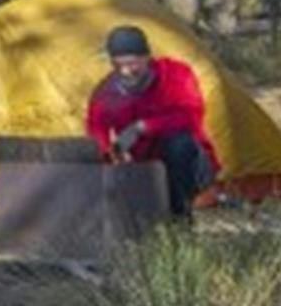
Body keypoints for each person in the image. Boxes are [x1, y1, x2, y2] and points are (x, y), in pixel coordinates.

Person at [85, 25, 218, 218]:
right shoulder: (106, 92)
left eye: (132, 64)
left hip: (188, 163)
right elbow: (96, 129)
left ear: (147, 57)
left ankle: (180, 216)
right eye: (118, 65)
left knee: (178, 144)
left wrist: (142, 127)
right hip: (141, 167)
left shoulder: (175, 75)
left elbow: (190, 117)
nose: (126, 72)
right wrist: (111, 152)